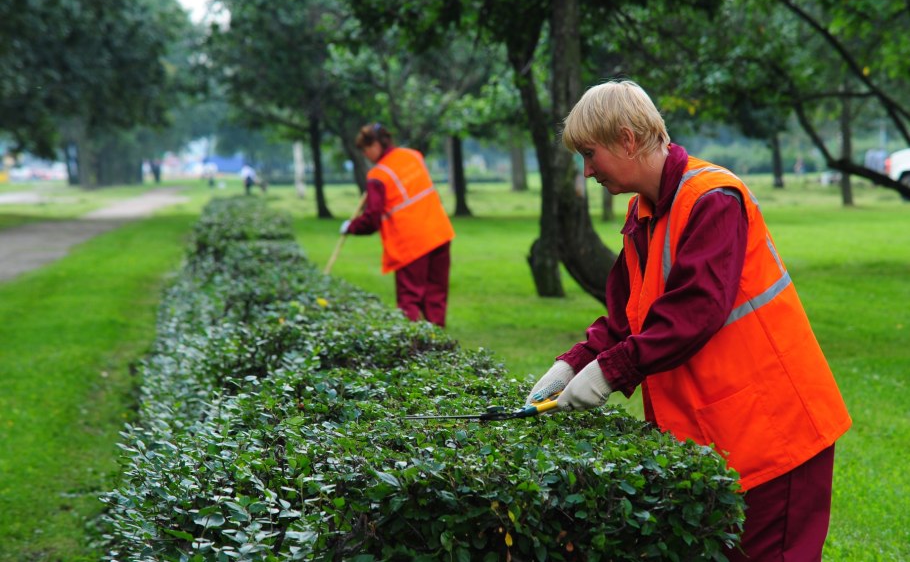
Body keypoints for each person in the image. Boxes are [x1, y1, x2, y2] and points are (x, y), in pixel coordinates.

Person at [526, 81, 851, 561]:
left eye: (590, 154)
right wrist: (573, 364)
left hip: (776, 438)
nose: (588, 169)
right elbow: (627, 316)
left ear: (628, 139)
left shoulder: (711, 198)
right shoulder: (647, 212)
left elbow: (695, 311)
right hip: (729, 439)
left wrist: (612, 371)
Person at [342, 123, 455, 327]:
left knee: (409, 300)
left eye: (365, 149)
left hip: (411, 244)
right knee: (436, 295)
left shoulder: (378, 176)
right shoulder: (413, 155)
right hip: (439, 233)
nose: (366, 155)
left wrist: (350, 227)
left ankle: (413, 350)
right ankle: (439, 348)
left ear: (375, 144)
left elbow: (372, 219)